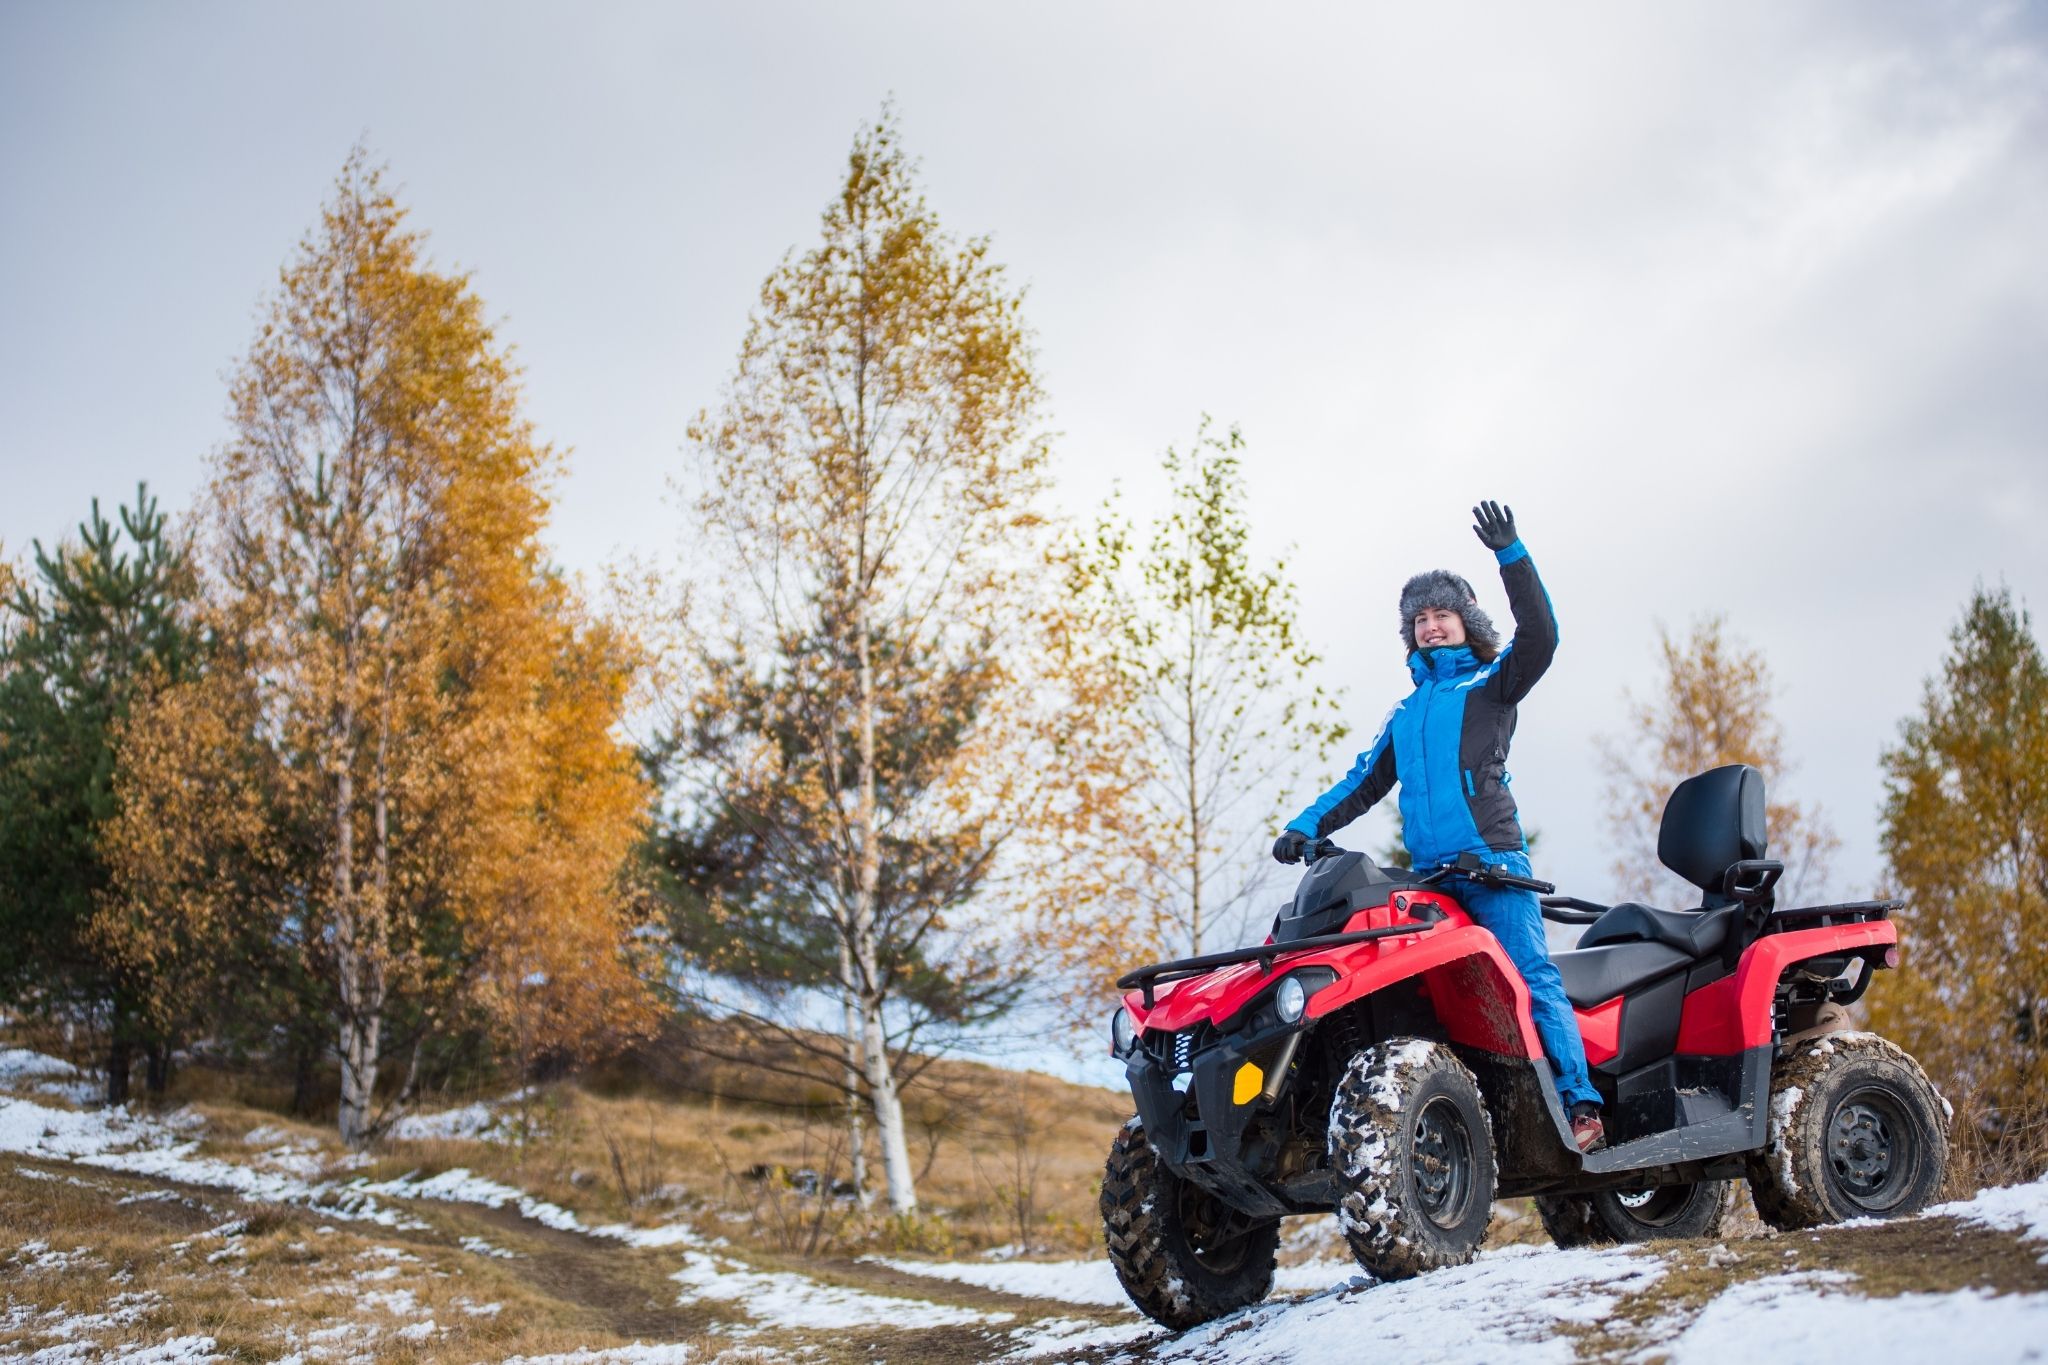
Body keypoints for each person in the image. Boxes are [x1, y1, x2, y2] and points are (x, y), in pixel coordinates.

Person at [1271, 500, 1605, 1152]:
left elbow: (1542, 636)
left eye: (1441, 615)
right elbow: (1362, 781)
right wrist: (1301, 826)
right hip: (1434, 882)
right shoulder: (1407, 712)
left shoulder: (1491, 684)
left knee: (1530, 977)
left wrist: (1512, 554)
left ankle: (1580, 1103)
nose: (1430, 626)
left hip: (1495, 867)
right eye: (1419, 619)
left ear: (1465, 621)